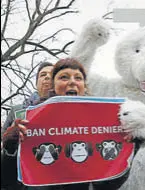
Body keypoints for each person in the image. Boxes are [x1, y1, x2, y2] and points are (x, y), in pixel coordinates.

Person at [2, 58, 128, 190]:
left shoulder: (98, 125)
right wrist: (9, 149)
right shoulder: (30, 121)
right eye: (64, 77)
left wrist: (131, 146)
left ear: (84, 86)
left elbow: (105, 186)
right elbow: (7, 182)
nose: (72, 82)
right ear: (52, 85)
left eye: (78, 78)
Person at [1, 61, 54, 190]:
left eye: (52, 75)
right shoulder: (17, 111)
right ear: (36, 83)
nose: (47, 77)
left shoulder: (69, 110)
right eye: (43, 74)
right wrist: (10, 147)